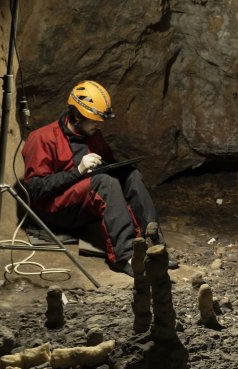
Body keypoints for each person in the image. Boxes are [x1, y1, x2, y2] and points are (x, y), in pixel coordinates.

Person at [21, 80, 173, 275]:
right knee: (105, 183)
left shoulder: (93, 134)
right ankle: (125, 256)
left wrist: (119, 170)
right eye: (94, 120)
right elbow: (35, 189)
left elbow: (108, 167)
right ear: (76, 116)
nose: (99, 124)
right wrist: (78, 171)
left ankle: (154, 246)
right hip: (54, 212)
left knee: (131, 175)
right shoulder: (42, 138)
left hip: (84, 204)